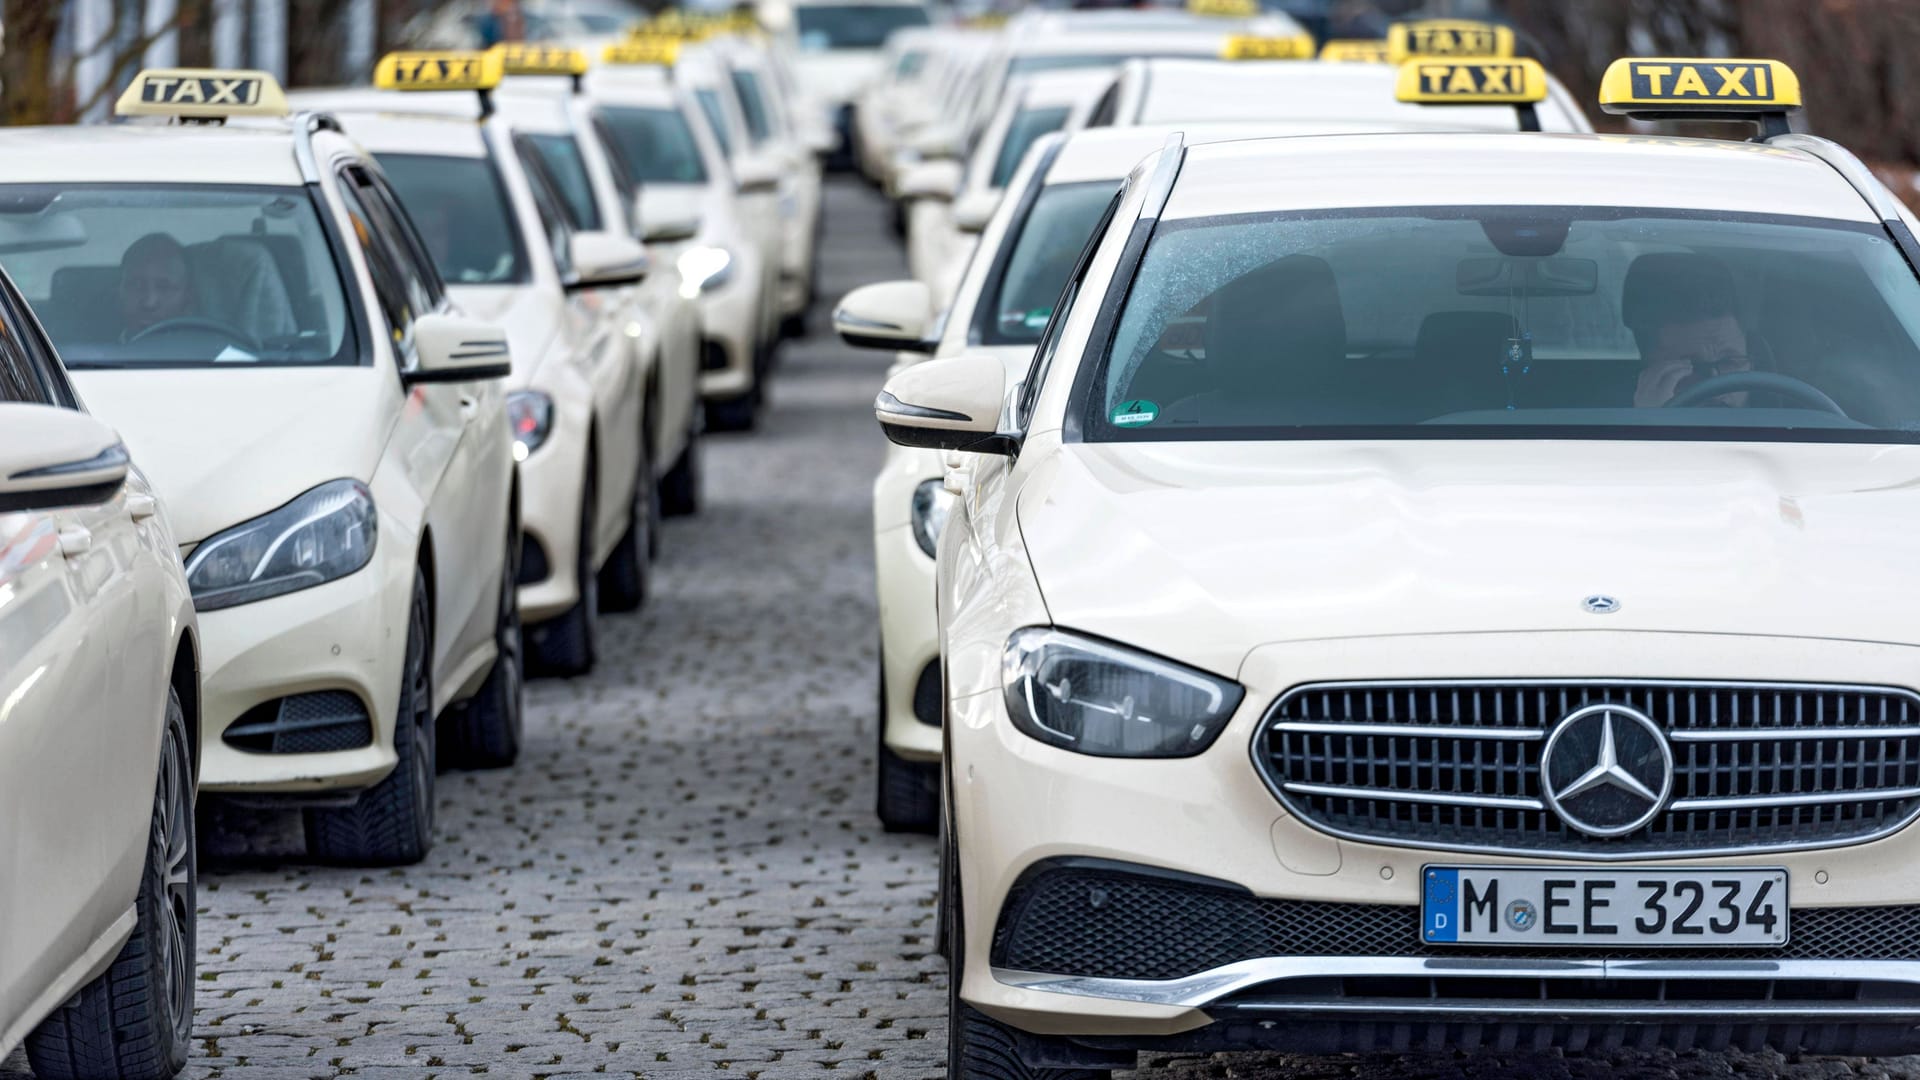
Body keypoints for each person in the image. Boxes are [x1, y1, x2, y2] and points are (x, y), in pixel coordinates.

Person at [1624, 252, 1753, 408]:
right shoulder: (1600, 425)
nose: (1717, 387)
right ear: (1648, 365)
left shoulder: (1785, 415)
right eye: (1692, 367)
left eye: (1730, 362)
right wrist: (1650, 423)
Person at [118, 232, 195, 338]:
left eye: (165, 288)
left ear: (188, 297)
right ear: (120, 291)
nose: (149, 303)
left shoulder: (214, 352)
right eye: (137, 286)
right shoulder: (93, 350)